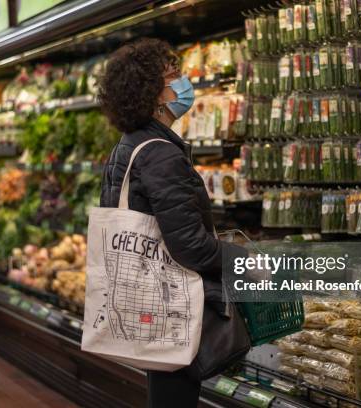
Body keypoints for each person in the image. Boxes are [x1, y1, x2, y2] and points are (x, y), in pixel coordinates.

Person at [98, 38, 244, 408]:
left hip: (144, 295)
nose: (184, 82)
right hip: (170, 303)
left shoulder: (127, 146)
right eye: (174, 76)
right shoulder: (160, 154)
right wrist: (240, 260)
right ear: (153, 94)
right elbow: (190, 245)